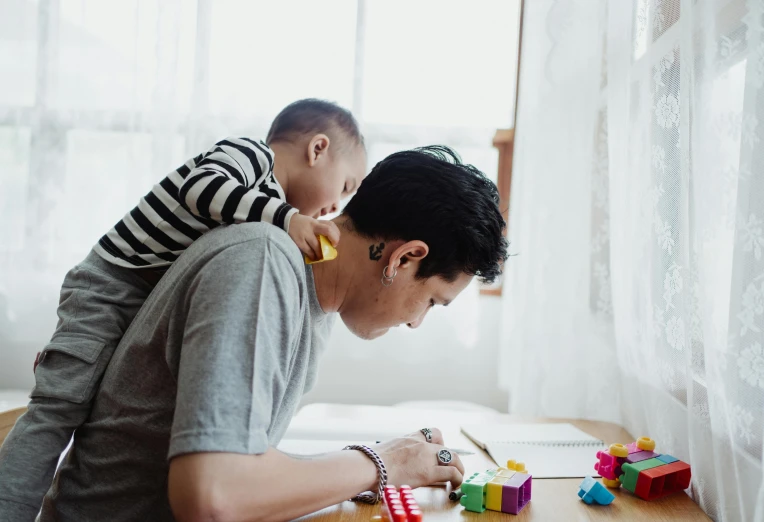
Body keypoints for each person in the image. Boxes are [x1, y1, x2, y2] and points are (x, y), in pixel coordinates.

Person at [29, 145, 507, 522]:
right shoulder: (262, 265)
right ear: (404, 258)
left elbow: (244, 467)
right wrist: (383, 463)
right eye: (431, 302)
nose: (416, 322)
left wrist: (380, 462)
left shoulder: (314, 296)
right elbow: (213, 499)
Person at [0, 99, 367, 522]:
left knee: (92, 401)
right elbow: (201, 189)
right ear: (317, 149)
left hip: (137, 300)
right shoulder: (250, 156)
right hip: (109, 287)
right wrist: (287, 219)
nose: (334, 209)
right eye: (344, 187)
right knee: (57, 410)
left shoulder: (263, 213)